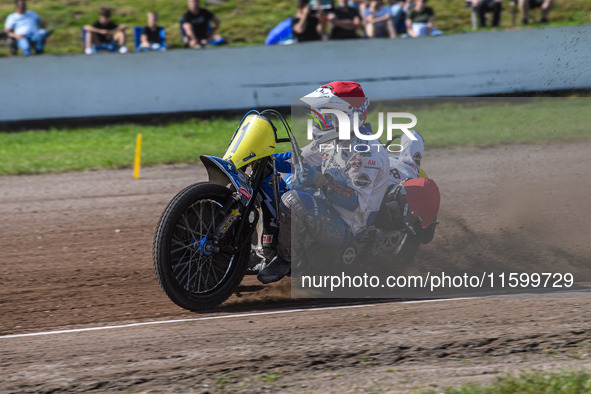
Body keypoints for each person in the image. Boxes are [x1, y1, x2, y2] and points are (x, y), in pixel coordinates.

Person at [257, 81, 390, 284]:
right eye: (321, 116)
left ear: (350, 117)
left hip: (347, 224)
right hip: (325, 208)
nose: (321, 123)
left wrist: (320, 180)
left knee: (292, 199)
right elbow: (297, 159)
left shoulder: (367, 152)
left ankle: (289, 260)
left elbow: (355, 202)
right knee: (270, 180)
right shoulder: (333, 140)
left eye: (328, 117)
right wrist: (261, 158)